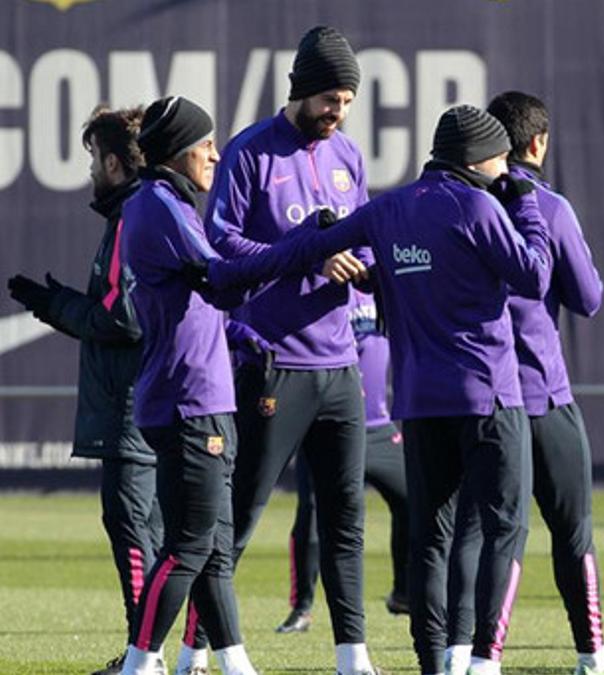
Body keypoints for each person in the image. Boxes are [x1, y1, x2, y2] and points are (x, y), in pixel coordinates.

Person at [200, 104, 552, 675]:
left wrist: (303, 237)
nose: (504, 165)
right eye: (499, 157)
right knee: (503, 528)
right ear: (480, 159)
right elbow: (535, 276)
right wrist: (527, 203)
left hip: (419, 400)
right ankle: (485, 661)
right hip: (489, 395)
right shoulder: (483, 205)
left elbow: (321, 243)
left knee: (430, 539)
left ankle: (434, 664)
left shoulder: (389, 208)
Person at [442, 91, 604, 675]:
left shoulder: (455, 204)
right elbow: (589, 297)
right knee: (571, 529)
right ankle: (589, 653)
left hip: (473, 394)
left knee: (474, 531)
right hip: (538, 392)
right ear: (536, 143)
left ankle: (459, 655)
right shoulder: (547, 207)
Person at [203, 25, 378, 675]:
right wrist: (303, 254)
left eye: (348, 101)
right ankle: (200, 644)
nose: (340, 112)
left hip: (340, 363)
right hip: (272, 361)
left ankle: (352, 653)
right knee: (240, 514)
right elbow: (218, 246)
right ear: (303, 90)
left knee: (345, 516)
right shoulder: (250, 154)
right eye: (331, 99)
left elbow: (362, 240)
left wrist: (357, 263)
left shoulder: (349, 157)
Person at [6, 106, 165, 675]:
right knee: (156, 531)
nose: (91, 171)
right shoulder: (136, 214)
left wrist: (55, 306)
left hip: (133, 406)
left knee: (133, 526)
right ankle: (164, 653)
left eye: (94, 159)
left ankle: (146, 655)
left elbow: (123, 318)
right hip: (147, 399)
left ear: (116, 163)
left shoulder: (130, 220)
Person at [117, 95, 257, 675]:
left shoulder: (164, 202)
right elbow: (221, 281)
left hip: (199, 398)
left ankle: (236, 665)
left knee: (214, 553)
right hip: (189, 401)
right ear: (177, 152)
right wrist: (293, 257)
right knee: (191, 547)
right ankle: (137, 662)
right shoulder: (160, 205)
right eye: (205, 145)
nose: (216, 155)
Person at [276, 288, 410, 634]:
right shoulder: (325, 285)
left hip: (379, 427)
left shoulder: (381, 283)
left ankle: (405, 593)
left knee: (414, 501)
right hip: (327, 426)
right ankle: (301, 607)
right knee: (313, 514)